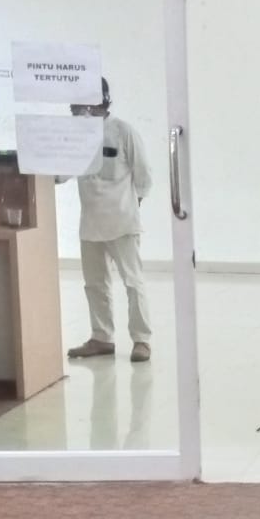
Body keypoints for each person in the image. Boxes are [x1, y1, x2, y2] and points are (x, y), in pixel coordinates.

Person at [65, 78, 152, 363]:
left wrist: (130, 206)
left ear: (96, 101)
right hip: (90, 224)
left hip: (123, 223)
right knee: (94, 284)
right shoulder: (76, 135)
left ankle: (141, 340)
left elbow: (144, 177)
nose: (73, 108)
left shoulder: (123, 131)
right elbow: (62, 173)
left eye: (77, 103)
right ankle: (101, 337)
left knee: (132, 282)